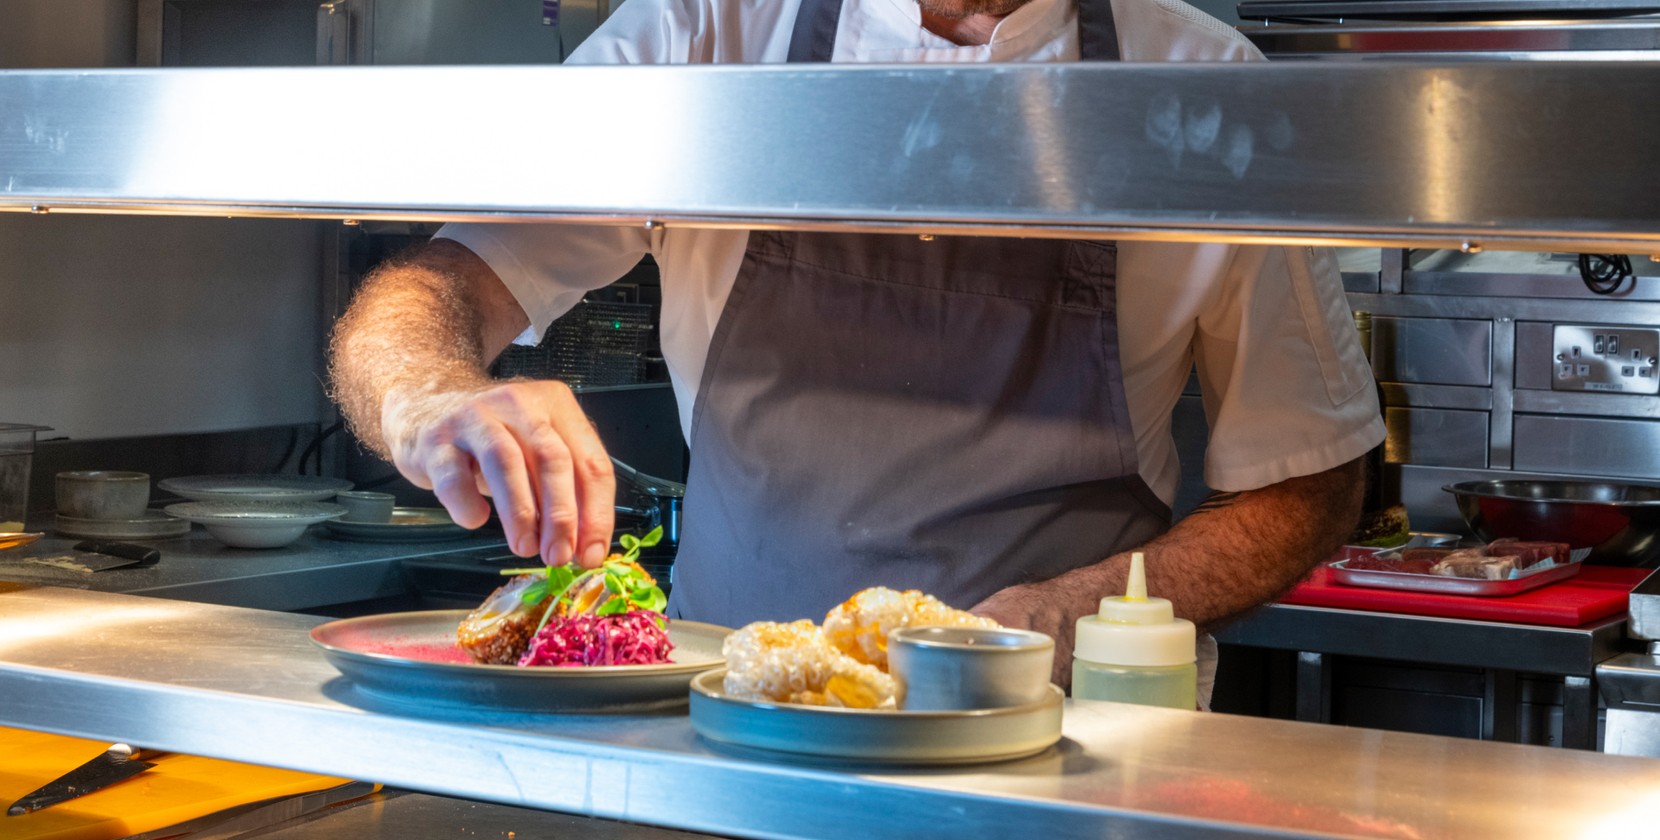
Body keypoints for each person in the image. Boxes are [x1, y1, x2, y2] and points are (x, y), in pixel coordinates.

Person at [327, 0, 1385, 702]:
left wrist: (1080, 607)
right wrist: (431, 395)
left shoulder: (1201, 85)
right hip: (730, 721)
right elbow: (435, 286)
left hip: (1062, 735)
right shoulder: (706, 32)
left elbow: (1309, 477)